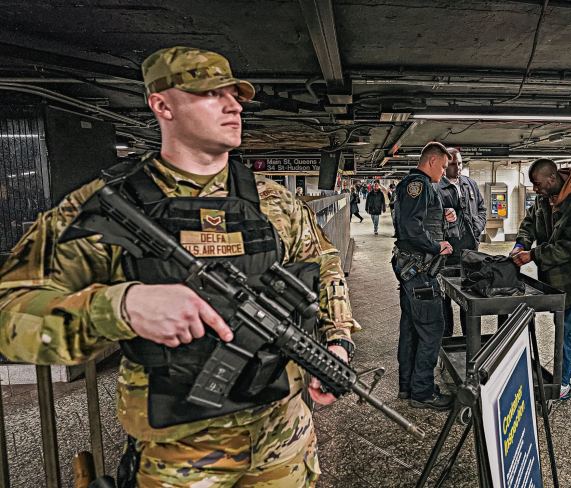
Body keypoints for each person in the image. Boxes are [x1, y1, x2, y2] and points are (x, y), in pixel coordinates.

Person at [0, 46, 360, 486]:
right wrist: (122, 306)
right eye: (209, 94)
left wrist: (336, 341)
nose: (232, 105)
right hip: (178, 454)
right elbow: (10, 311)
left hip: (283, 440)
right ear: (161, 104)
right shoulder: (105, 206)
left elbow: (322, 264)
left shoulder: (275, 201)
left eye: (235, 95)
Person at [511, 159, 571, 400]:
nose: (535, 189)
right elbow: (530, 222)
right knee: (562, 327)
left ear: (552, 179)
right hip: (555, 277)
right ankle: (568, 373)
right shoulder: (546, 197)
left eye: (537, 184)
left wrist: (532, 255)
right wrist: (521, 243)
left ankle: (562, 384)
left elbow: (569, 247)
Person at [392, 141, 454, 411]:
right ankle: (423, 392)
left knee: (411, 329)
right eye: (442, 166)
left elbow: (420, 219)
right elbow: (411, 226)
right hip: (420, 270)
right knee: (432, 329)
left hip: (411, 270)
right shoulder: (419, 185)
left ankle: (408, 386)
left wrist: (446, 216)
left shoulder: (415, 185)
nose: (443, 172)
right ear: (431, 161)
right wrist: (436, 245)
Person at [438, 148, 486, 337]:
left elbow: (482, 209)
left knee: (471, 300)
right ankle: (446, 340)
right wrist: (443, 218)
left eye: (459, 163)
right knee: (444, 301)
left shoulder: (470, 184)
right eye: (452, 164)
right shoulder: (436, 187)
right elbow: (428, 220)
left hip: (470, 253)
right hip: (446, 256)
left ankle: (470, 342)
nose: (457, 167)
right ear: (444, 165)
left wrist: (477, 227)